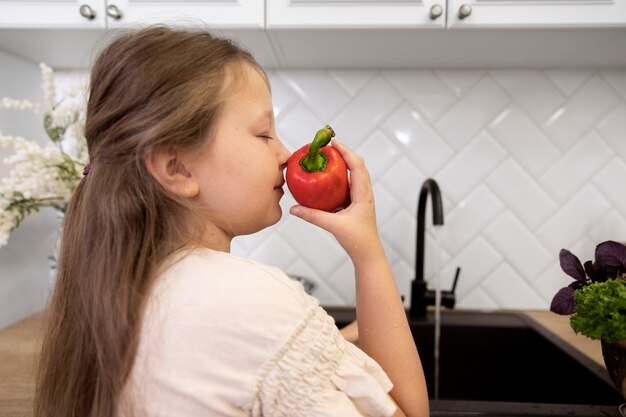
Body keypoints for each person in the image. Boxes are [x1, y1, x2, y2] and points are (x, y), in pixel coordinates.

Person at [34, 26, 429, 417]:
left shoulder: (122, 283)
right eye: (263, 134)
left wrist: (320, 343)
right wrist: (368, 252)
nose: (286, 153)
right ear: (178, 168)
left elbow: (241, 364)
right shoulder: (252, 299)